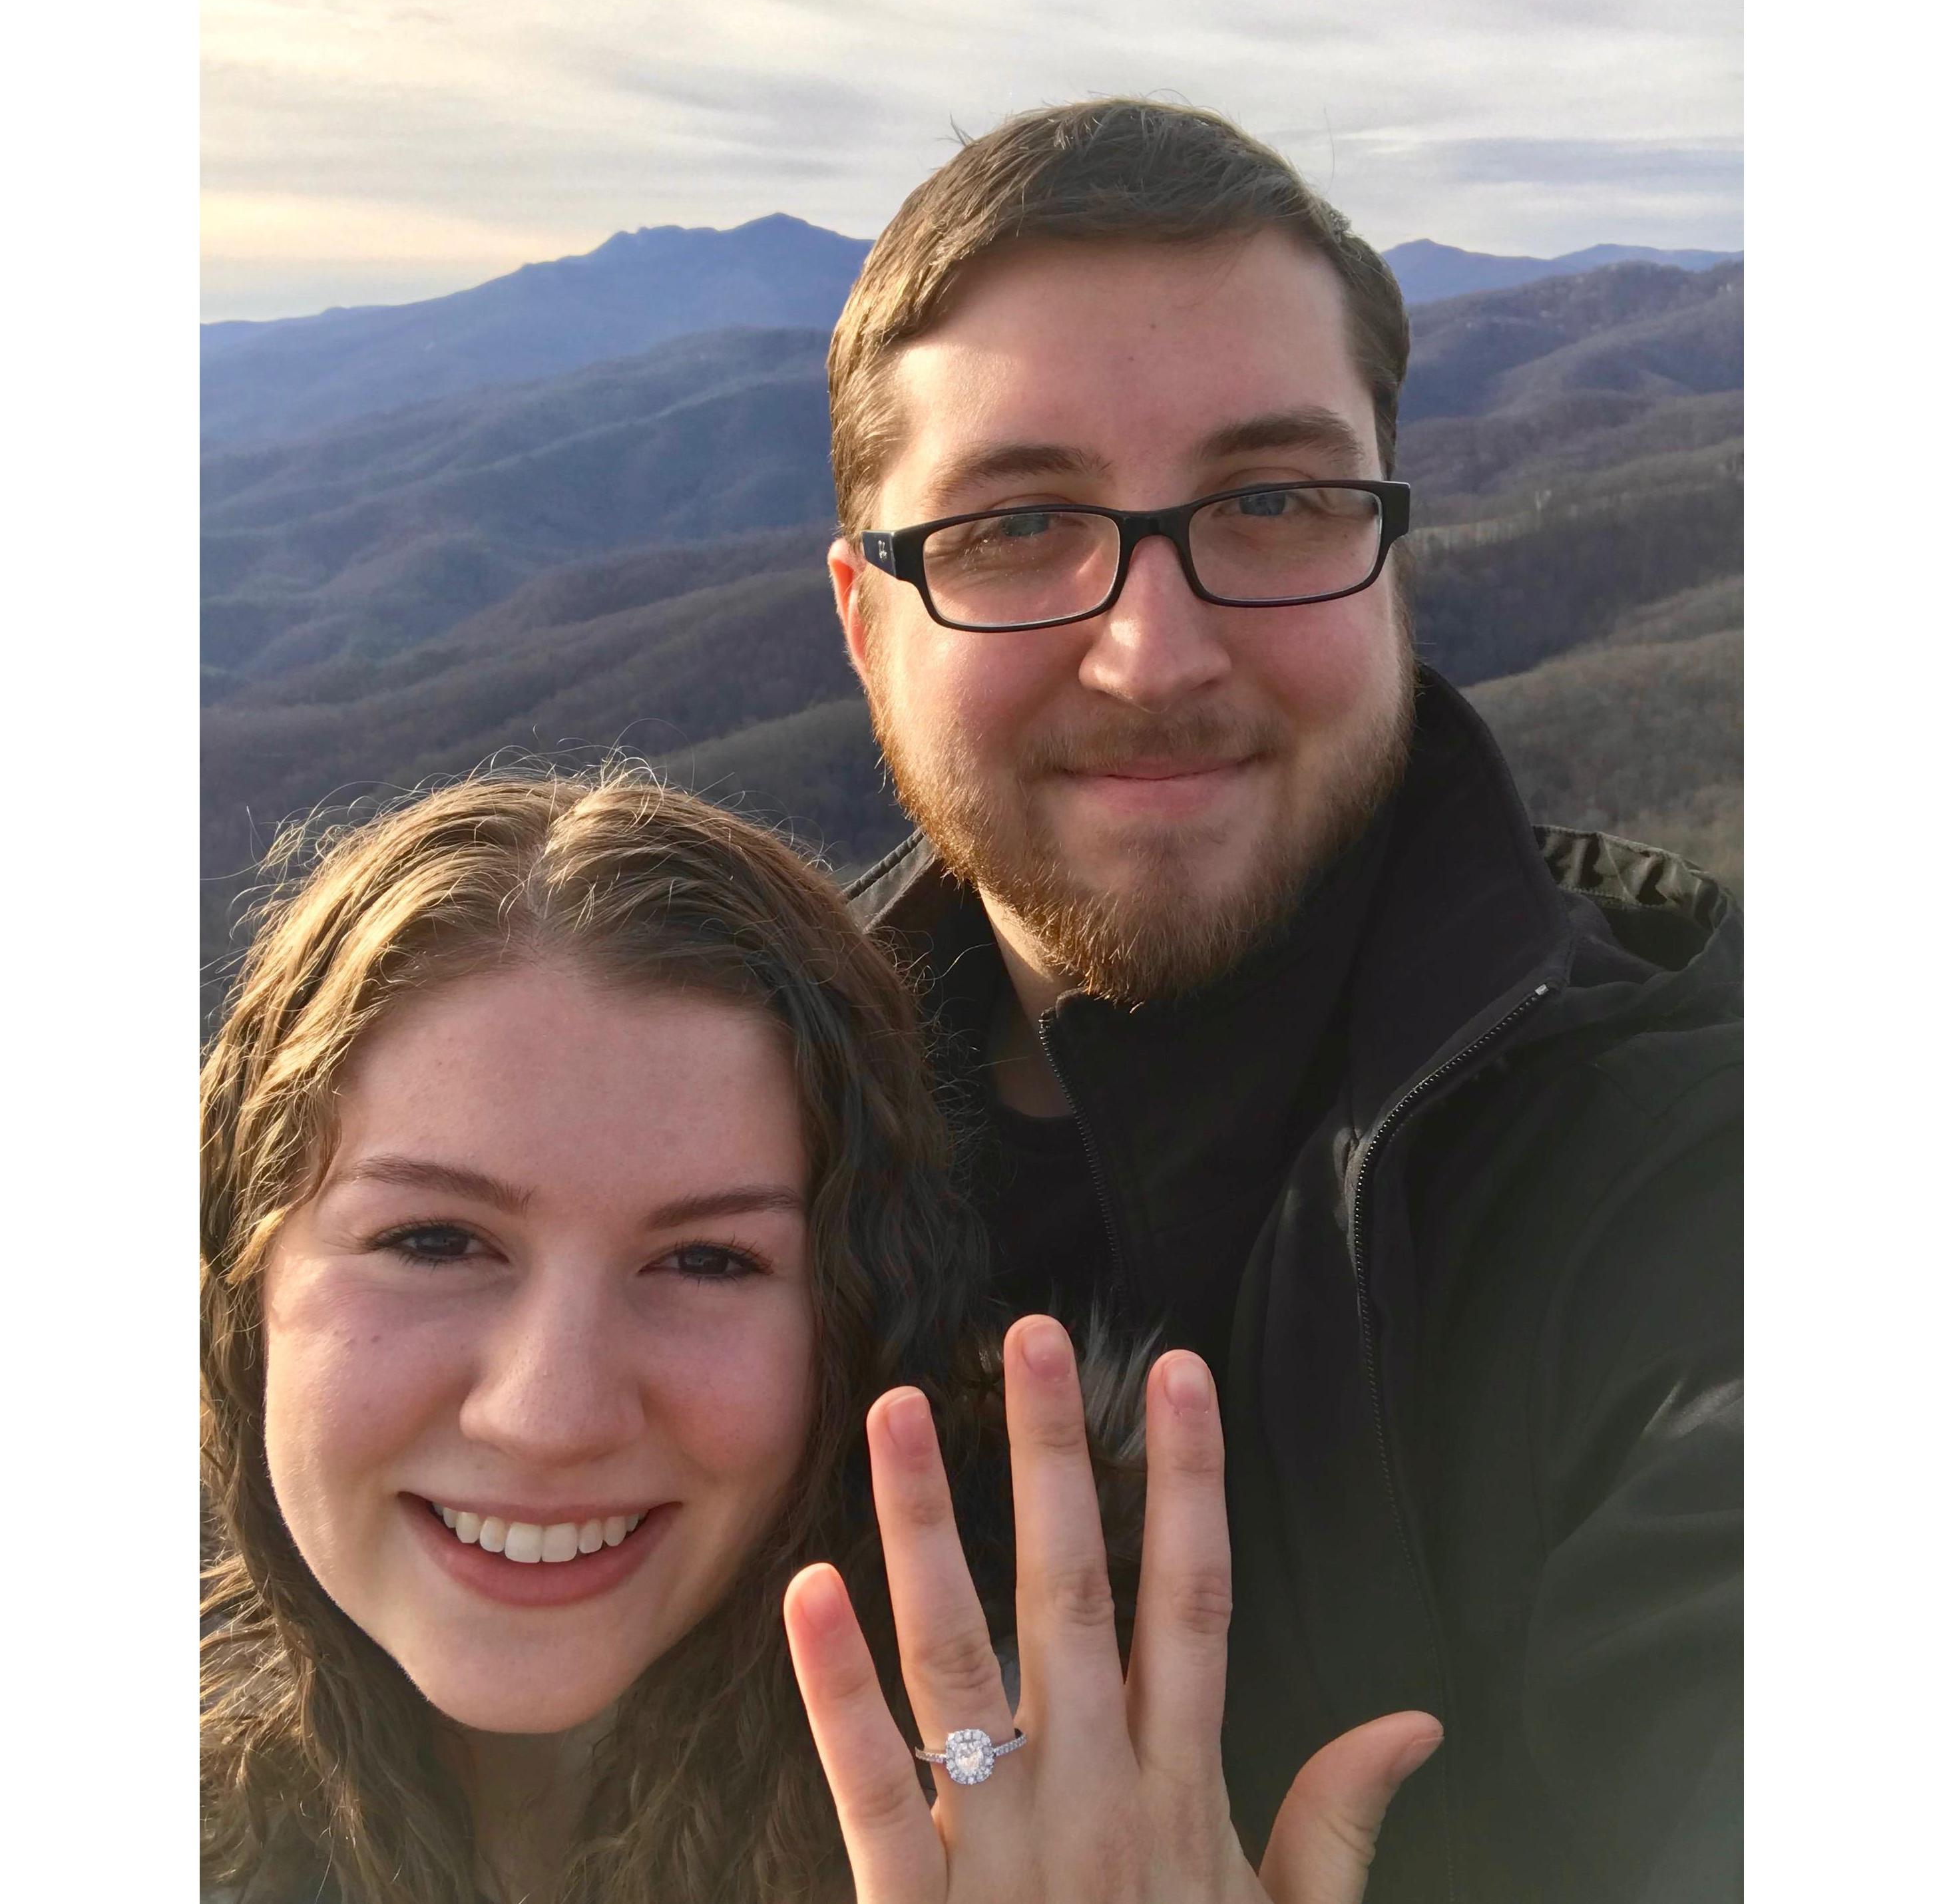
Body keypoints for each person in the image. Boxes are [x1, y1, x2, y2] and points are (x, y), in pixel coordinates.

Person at [825, 98, 1741, 1903]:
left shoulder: (1696, 1152)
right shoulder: (711, 1183)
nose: (1155, 654)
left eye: (1269, 501)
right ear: (864, 621)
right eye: (1017, 525)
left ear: (1389, 558)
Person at [200, 766, 1436, 1904]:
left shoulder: (1119, 1824)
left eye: (706, 1260)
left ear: (846, 1330)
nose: (550, 1411)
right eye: (435, 1241)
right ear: (242, 1285)